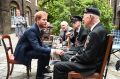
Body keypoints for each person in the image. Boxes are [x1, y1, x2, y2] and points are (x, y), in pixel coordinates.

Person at [53, 7, 108, 79]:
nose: (83, 19)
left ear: (90, 17)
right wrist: (75, 57)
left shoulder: (95, 32)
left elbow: (87, 57)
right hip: (92, 64)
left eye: (84, 17)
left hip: (90, 67)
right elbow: (88, 53)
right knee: (64, 58)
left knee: (58, 66)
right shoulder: (99, 29)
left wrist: (74, 58)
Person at [14, 11, 64, 79]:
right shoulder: (31, 30)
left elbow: (40, 43)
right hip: (23, 52)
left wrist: (50, 49)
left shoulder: (39, 29)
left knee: (48, 49)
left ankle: (44, 69)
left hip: (30, 48)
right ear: (37, 20)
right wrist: (54, 51)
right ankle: (39, 76)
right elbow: (37, 48)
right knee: (43, 54)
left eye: (46, 20)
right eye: (43, 19)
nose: (46, 21)